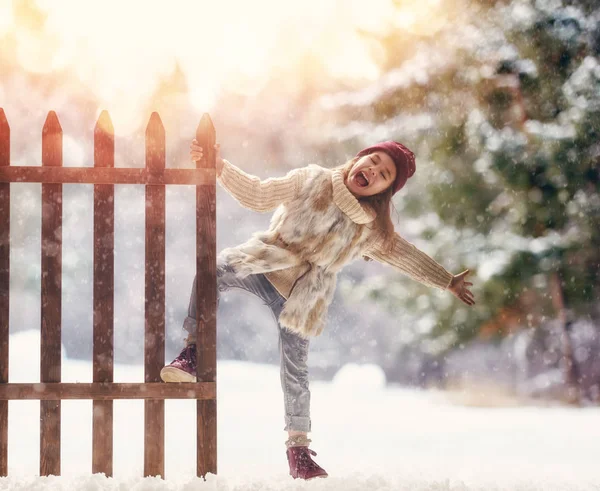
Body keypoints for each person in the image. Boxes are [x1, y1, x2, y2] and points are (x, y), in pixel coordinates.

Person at [160, 139, 475, 480]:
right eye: (373, 160)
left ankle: (299, 451)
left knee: (296, 371)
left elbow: (405, 255)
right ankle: (192, 352)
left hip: (302, 297)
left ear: (385, 190)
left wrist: (447, 281)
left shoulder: (370, 228)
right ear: (359, 158)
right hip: (266, 263)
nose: (372, 170)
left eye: (384, 174)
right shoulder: (311, 179)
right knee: (215, 269)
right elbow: (258, 194)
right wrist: (220, 166)